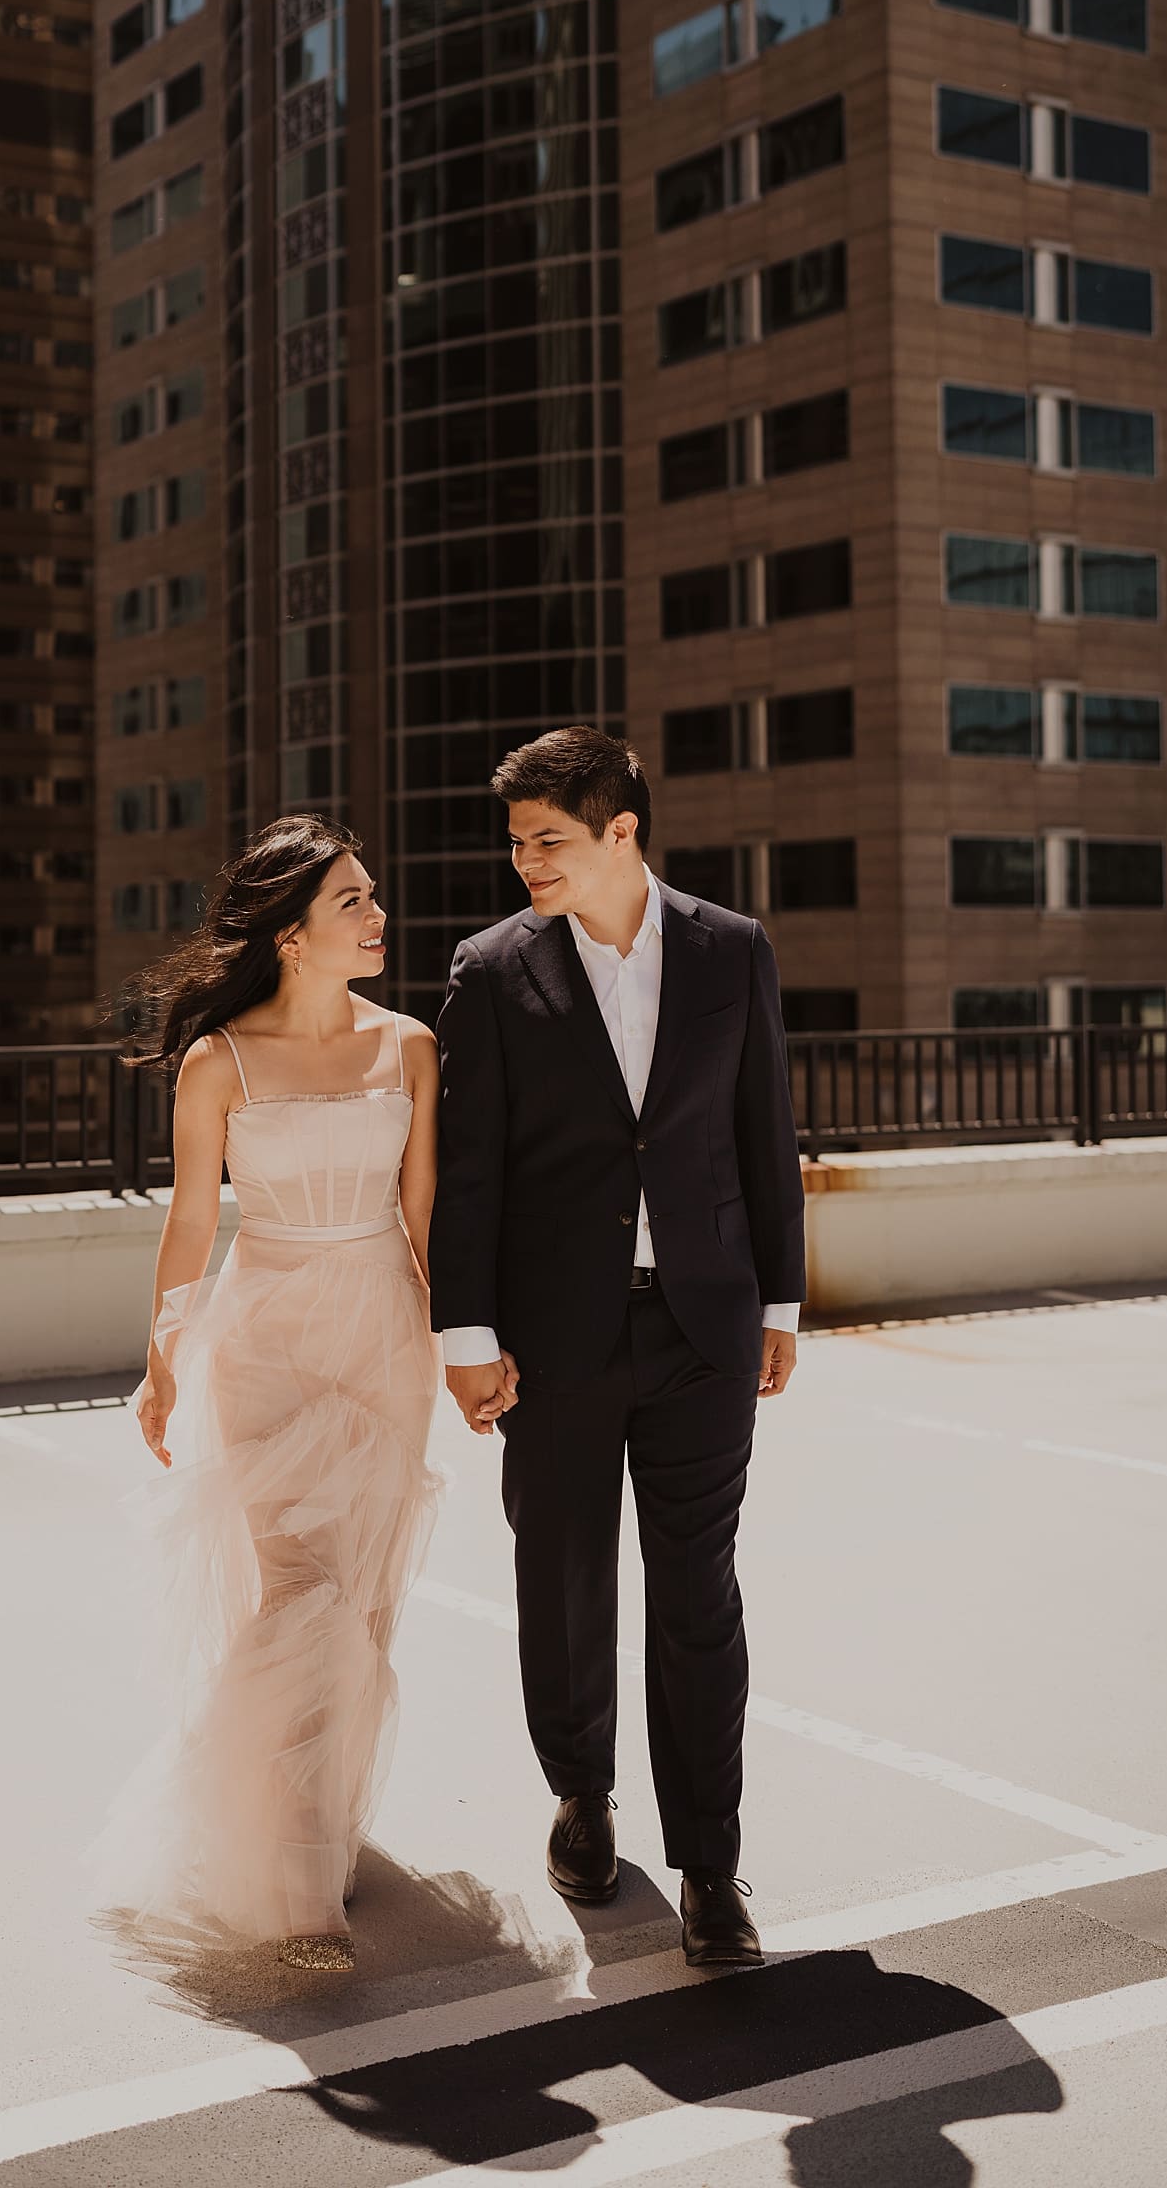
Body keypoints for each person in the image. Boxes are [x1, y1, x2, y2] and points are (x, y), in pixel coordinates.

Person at [93, 815, 500, 1972]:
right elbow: (187, 1220)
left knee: (365, 1599)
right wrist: (162, 1356)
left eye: (372, 896)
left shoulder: (410, 1046)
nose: (379, 917)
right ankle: (289, 1878)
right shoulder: (217, 1060)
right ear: (291, 934)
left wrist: (464, 1348)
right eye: (353, 903)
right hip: (264, 1333)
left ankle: (320, 1816)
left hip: (383, 1332)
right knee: (293, 1598)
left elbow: (424, 1223)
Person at [429, 727, 804, 1971]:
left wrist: (780, 1304)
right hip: (556, 1340)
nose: (526, 860)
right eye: (518, 841)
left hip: (704, 1324)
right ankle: (580, 1795)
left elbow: (763, 1135)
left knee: (701, 1600)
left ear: (621, 832)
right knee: (566, 1581)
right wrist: (468, 1336)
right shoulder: (491, 971)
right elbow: (469, 1171)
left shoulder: (729, 948)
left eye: (549, 839)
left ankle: (711, 1868)